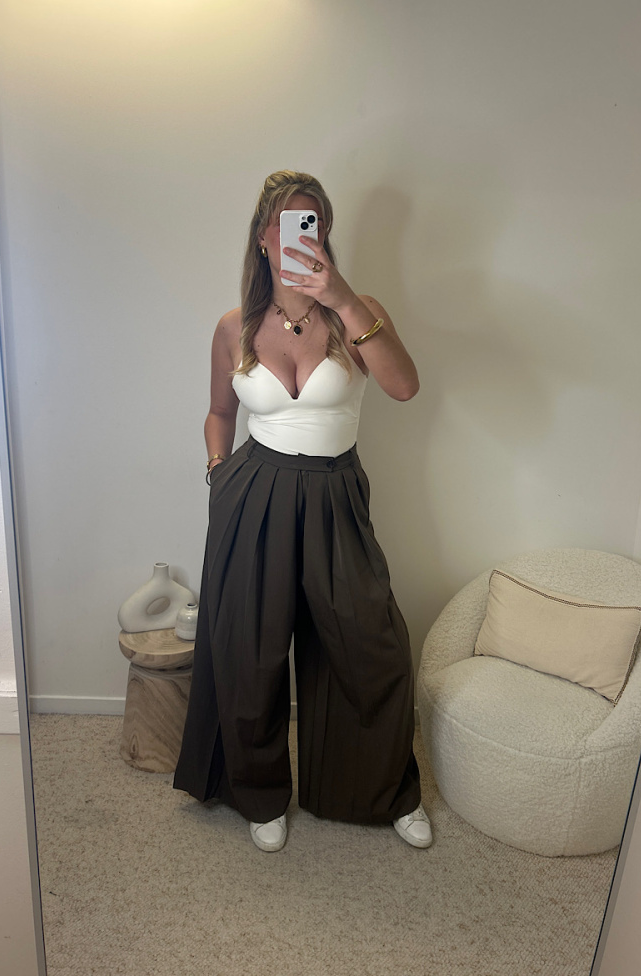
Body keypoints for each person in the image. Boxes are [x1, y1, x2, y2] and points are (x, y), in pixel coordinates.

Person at [173, 170, 431, 852]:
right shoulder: (234, 326)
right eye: (286, 221)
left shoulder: (356, 312)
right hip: (253, 494)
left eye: (311, 221)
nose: (298, 234)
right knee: (250, 651)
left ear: (324, 232)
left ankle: (383, 790)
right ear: (263, 237)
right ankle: (257, 793)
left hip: (335, 494)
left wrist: (340, 296)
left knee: (370, 646)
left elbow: (405, 386)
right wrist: (217, 473)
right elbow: (218, 412)